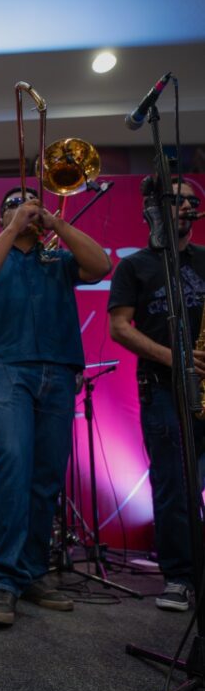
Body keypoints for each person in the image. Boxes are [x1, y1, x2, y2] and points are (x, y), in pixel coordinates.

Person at [0, 186, 111, 626]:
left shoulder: (57, 259)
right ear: (0, 218)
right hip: (7, 369)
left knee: (46, 477)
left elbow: (101, 266)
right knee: (11, 462)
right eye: (13, 204)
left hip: (59, 371)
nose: (25, 207)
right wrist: (13, 228)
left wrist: (58, 224)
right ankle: (3, 579)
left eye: (31, 202)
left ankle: (31, 572)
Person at [108, 177, 205, 611]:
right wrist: (175, 358)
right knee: (174, 485)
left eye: (191, 201)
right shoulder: (135, 266)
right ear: (154, 208)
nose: (185, 206)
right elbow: (119, 328)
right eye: (176, 199)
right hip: (163, 389)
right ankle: (180, 578)